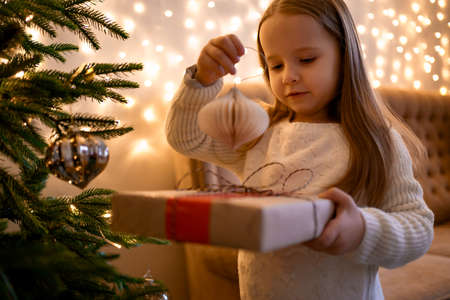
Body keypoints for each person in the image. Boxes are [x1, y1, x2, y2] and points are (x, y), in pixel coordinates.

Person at [165, 0, 434, 299]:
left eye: (306, 59)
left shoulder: (375, 141)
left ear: (346, 58)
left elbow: (418, 228)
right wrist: (202, 80)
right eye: (275, 65)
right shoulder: (259, 130)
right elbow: (186, 138)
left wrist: (362, 229)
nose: (288, 76)